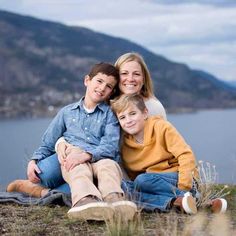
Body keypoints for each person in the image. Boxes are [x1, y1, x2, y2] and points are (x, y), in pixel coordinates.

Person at [9, 52, 167, 195]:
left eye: (136, 74)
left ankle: (39, 192)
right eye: (124, 74)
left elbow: (159, 146)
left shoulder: (151, 107)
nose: (130, 79)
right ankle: (41, 187)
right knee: (47, 174)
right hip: (84, 159)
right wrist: (61, 143)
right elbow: (75, 129)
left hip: (117, 166)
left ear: (144, 78)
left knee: (87, 190)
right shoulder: (110, 104)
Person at [7, 62, 137, 221]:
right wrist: (33, 160)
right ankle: (85, 201)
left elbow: (109, 145)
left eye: (109, 86)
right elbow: (48, 141)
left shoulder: (110, 115)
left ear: (111, 92)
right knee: (75, 170)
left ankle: (115, 200)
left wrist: (87, 155)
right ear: (87, 81)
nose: (102, 88)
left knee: (108, 168)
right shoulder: (67, 112)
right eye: (99, 81)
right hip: (73, 159)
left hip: (100, 159)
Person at [110, 93, 228, 214]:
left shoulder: (161, 127)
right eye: (122, 117)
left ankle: (195, 199)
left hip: (179, 177)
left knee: (142, 181)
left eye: (132, 114)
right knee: (125, 188)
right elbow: (134, 178)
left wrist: (184, 187)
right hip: (154, 185)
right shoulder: (125, 147)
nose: (128, 120)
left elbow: (185, 155)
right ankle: (177, 202)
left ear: (145, 113)